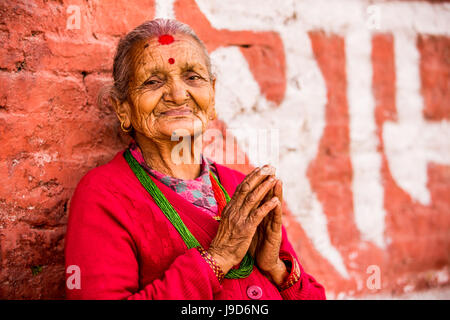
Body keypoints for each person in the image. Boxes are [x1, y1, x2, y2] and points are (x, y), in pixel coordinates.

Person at [64, 18, 325, 300]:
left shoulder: (239, 186)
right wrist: (219, 257)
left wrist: (275, 267)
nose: (178, 95)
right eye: (153, 81)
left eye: (193, 77)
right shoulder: (104, 195)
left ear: (211, 96)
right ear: (123, 108)